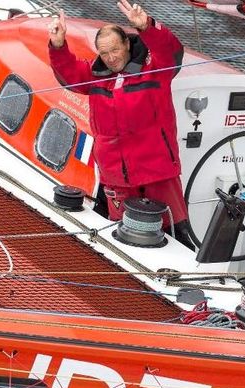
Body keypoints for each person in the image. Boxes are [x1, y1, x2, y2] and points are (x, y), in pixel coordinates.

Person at [48, 0, 194, 250]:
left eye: (115, 50)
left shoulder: (155, 69)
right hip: (116, 177)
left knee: (176, 236)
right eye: (104, 53)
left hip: (158, 173)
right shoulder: (95, 77)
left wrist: (146, 26)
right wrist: (58, 45)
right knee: (121, 239)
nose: (111, 58)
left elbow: (171, 51)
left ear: (127, 43)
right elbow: (68, 74)